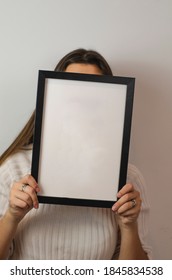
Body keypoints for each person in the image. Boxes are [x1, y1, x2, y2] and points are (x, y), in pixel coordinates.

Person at [0, 48, 152, 260]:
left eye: (93, 98)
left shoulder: (128, 180)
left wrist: (129, 226)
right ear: (52, 100)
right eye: (72, 95)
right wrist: (12, 216)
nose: (81, 107)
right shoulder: (13, 169)